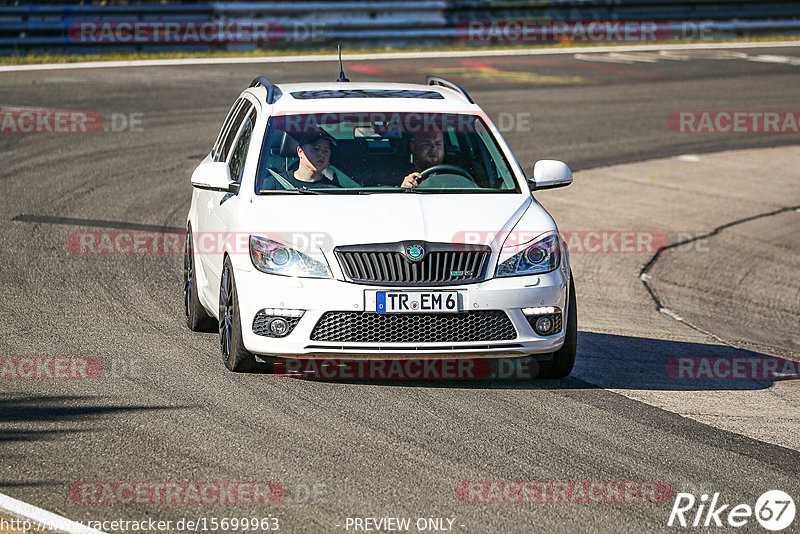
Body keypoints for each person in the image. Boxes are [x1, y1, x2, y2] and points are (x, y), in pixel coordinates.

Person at [263, 130, 340, 190]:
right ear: (300, 152)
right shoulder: (272, 185)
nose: (321, 154)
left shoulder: (335, 192)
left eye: (326, 151)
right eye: (315, 149)